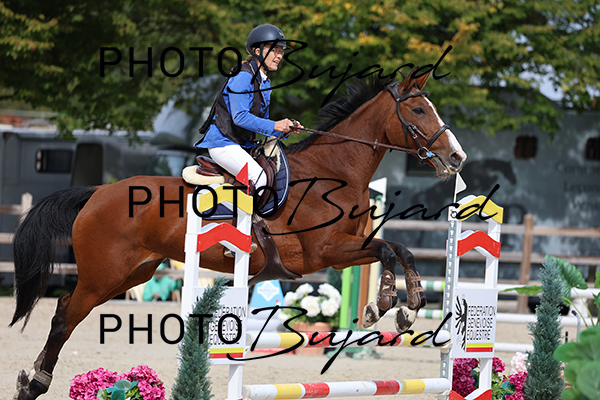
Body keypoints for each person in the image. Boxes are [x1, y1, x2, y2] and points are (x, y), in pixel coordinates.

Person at [195, 24, 303, 191]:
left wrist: (284, 129)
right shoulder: (243, 76)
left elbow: (260, 123)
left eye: (281, 51)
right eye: (274, 50)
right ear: (257, 51)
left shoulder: (264, 82)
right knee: (260, 180)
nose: (279, 55)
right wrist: (276, 125)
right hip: (223, 143)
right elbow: (240, 117)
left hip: (241, 144)